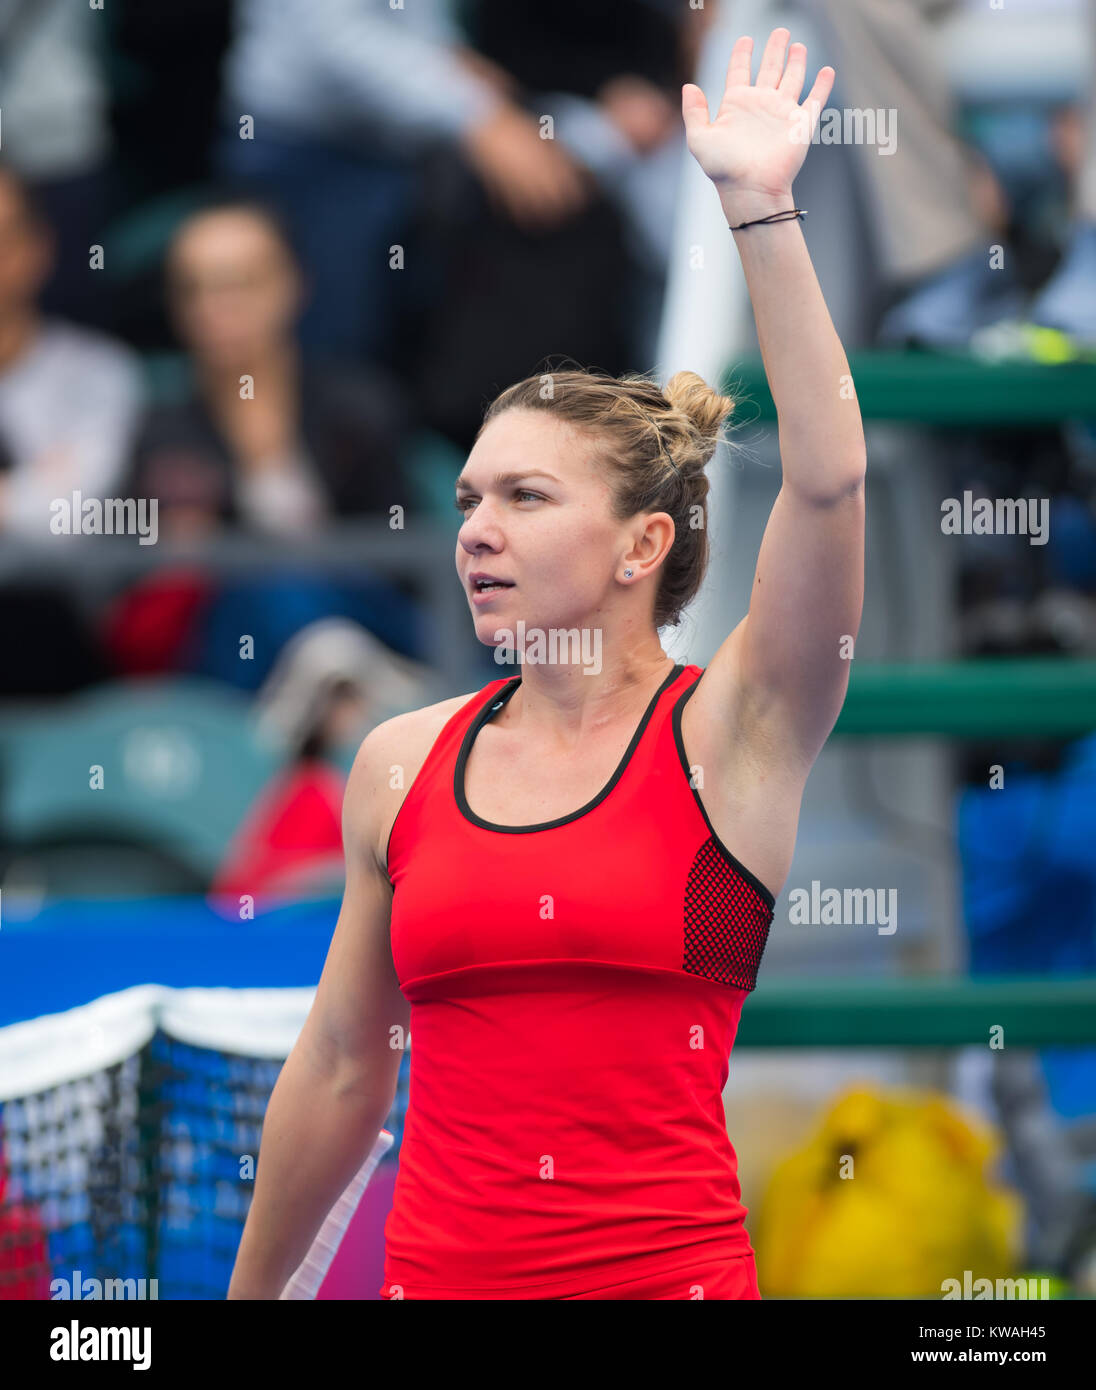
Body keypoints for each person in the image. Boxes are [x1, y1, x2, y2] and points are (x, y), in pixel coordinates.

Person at [227, 29, 865, 1301]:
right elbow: (348, 1069)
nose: (476, 528)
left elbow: (828, 477)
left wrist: (761, 208)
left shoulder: (734, 729)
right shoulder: (399, 764)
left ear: (643, 543)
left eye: (524, 495)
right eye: (467, 498)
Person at [124, 198, 410, 540]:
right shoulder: (152, 429)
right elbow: (124, 562)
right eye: (191, 288)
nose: (211, 307)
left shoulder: (359, 409)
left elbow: (403, 554)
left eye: (238, 284)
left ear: (293, 284)